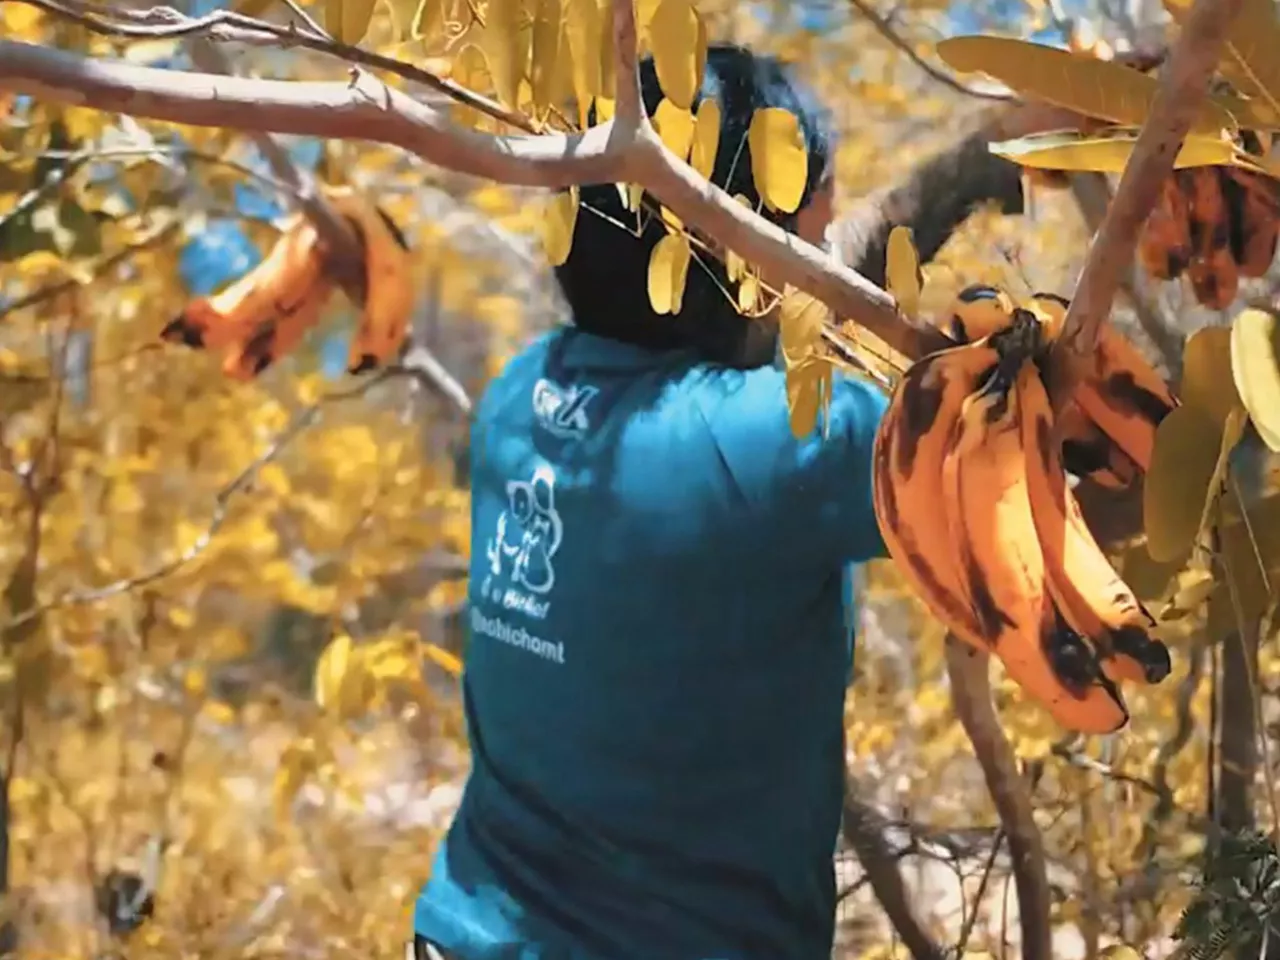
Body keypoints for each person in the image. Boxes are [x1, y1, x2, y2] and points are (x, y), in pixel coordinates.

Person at [413, 43, 889, 960]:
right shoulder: (794, 442)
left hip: (458, 932)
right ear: (742, 248)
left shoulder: (519, 395)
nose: (824, 275)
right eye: (808, 241)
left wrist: (976, 165)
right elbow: (1054, 499)